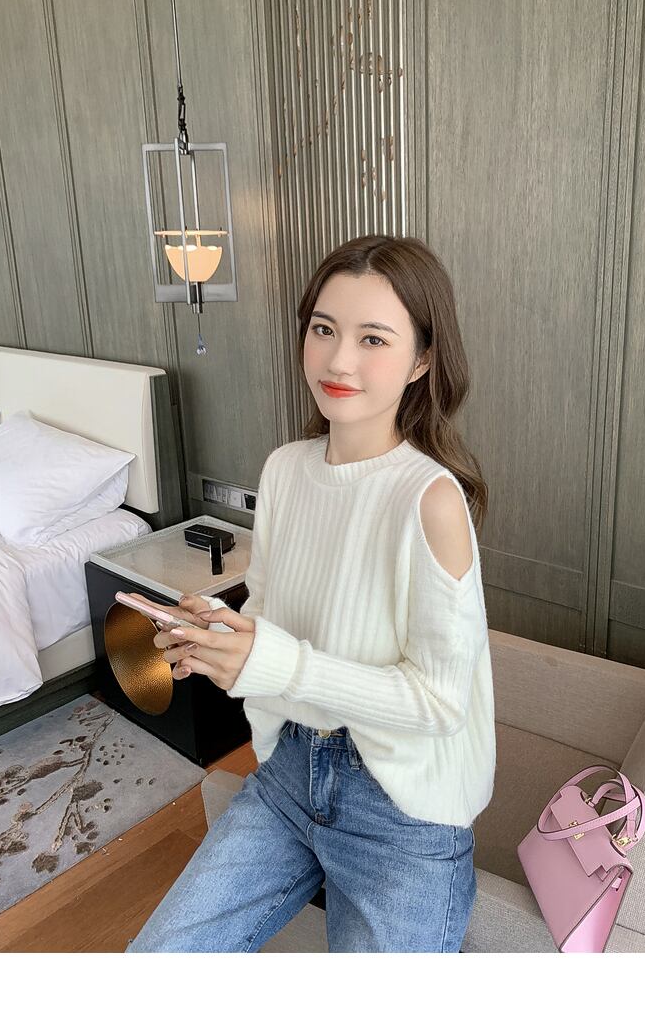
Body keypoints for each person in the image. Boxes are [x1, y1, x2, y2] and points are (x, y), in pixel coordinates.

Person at [125, 234, 496, 953]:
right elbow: (271, 613)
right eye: (323, 329)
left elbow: (441, 702)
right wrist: (217, 633)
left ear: (422, 360)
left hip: (402, 815)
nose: (338, 360)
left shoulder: (430, 499)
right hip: (291, 771)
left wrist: (277, 662)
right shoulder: (286, 469)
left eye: (373, 338)